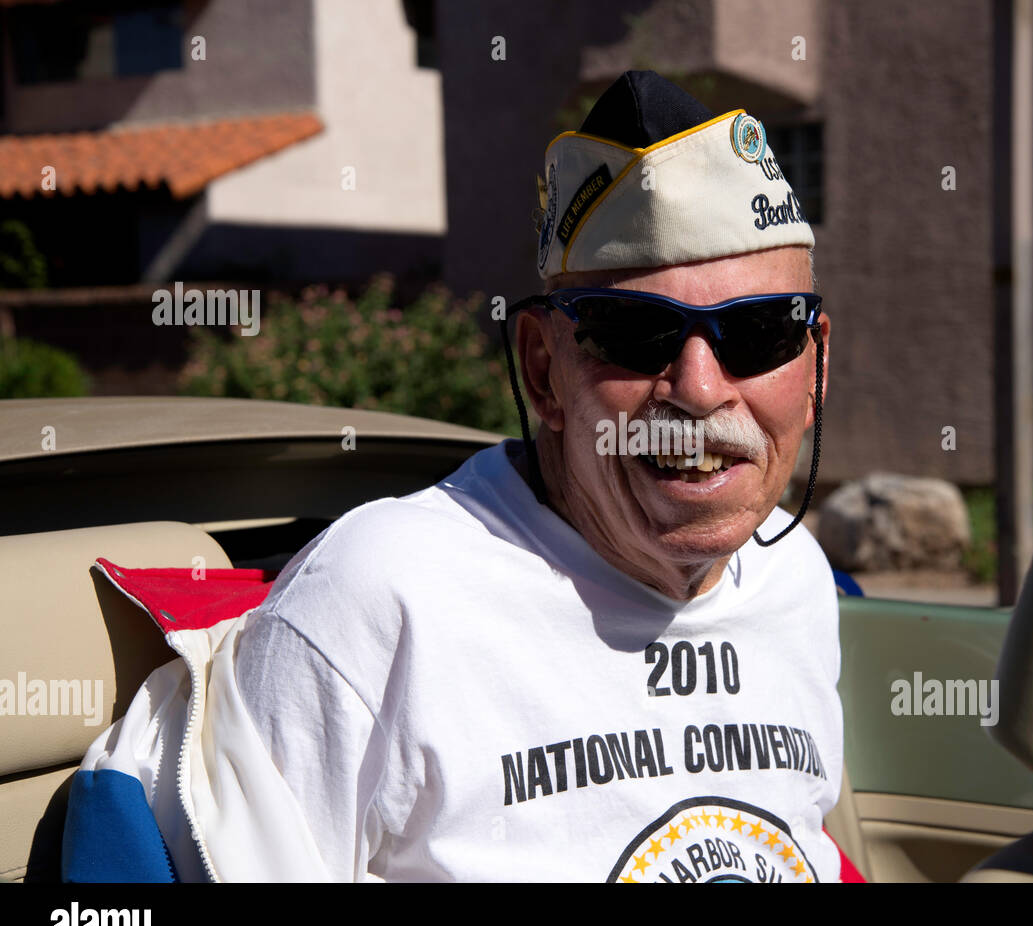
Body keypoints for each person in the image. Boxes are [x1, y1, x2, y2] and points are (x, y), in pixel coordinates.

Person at [66, 71, 846, 884]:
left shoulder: (793, 578)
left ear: (817, 362)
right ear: (543, 372)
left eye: (758, 331)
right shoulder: (385, 598)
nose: (701, 387)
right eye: (634, 333)